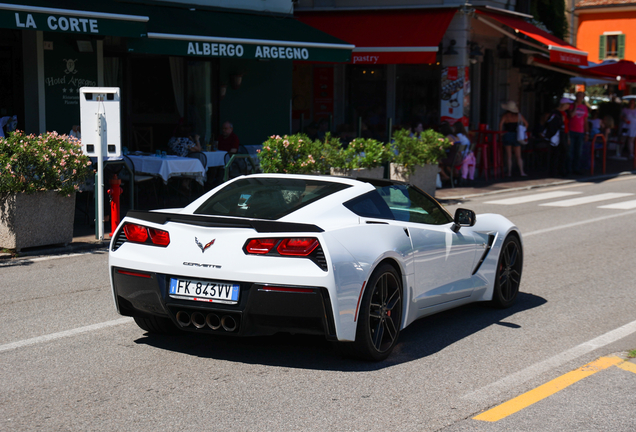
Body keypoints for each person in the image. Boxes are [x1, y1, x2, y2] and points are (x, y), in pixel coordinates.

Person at [543, 98, 572, 177]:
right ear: (564, 104)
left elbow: (566, 126)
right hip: (557, 135)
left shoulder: (565, 113)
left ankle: (561, 170)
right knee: (555, 153)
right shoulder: (555, 113)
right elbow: (551, 124)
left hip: (564, 134)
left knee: (563, 153)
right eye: (568, 104)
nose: (569, 106)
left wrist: (568, 137)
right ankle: (553, 171)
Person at [499, 100, 528, 177]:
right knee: (518, 155)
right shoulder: (519, 116)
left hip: (507, 135)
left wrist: (501, 133)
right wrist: (522, 130)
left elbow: (500, 125)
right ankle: (522, 172)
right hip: (517, 135)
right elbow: (526, 124)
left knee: (509, 156)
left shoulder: (505, 116)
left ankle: (509, 172)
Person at [568, 91, 589, 173]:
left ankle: (576, 168)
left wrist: (587, 133)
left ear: (583, 98)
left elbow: (585, 121)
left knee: (578, 152)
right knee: (570, 151)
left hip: (580, 132)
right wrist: (575, 106)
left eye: (581, 96)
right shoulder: (571, 106)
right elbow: (571, 115)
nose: (579, 97)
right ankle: (569, 169)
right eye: (578, 95)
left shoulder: (585, 108)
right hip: (571, 131)